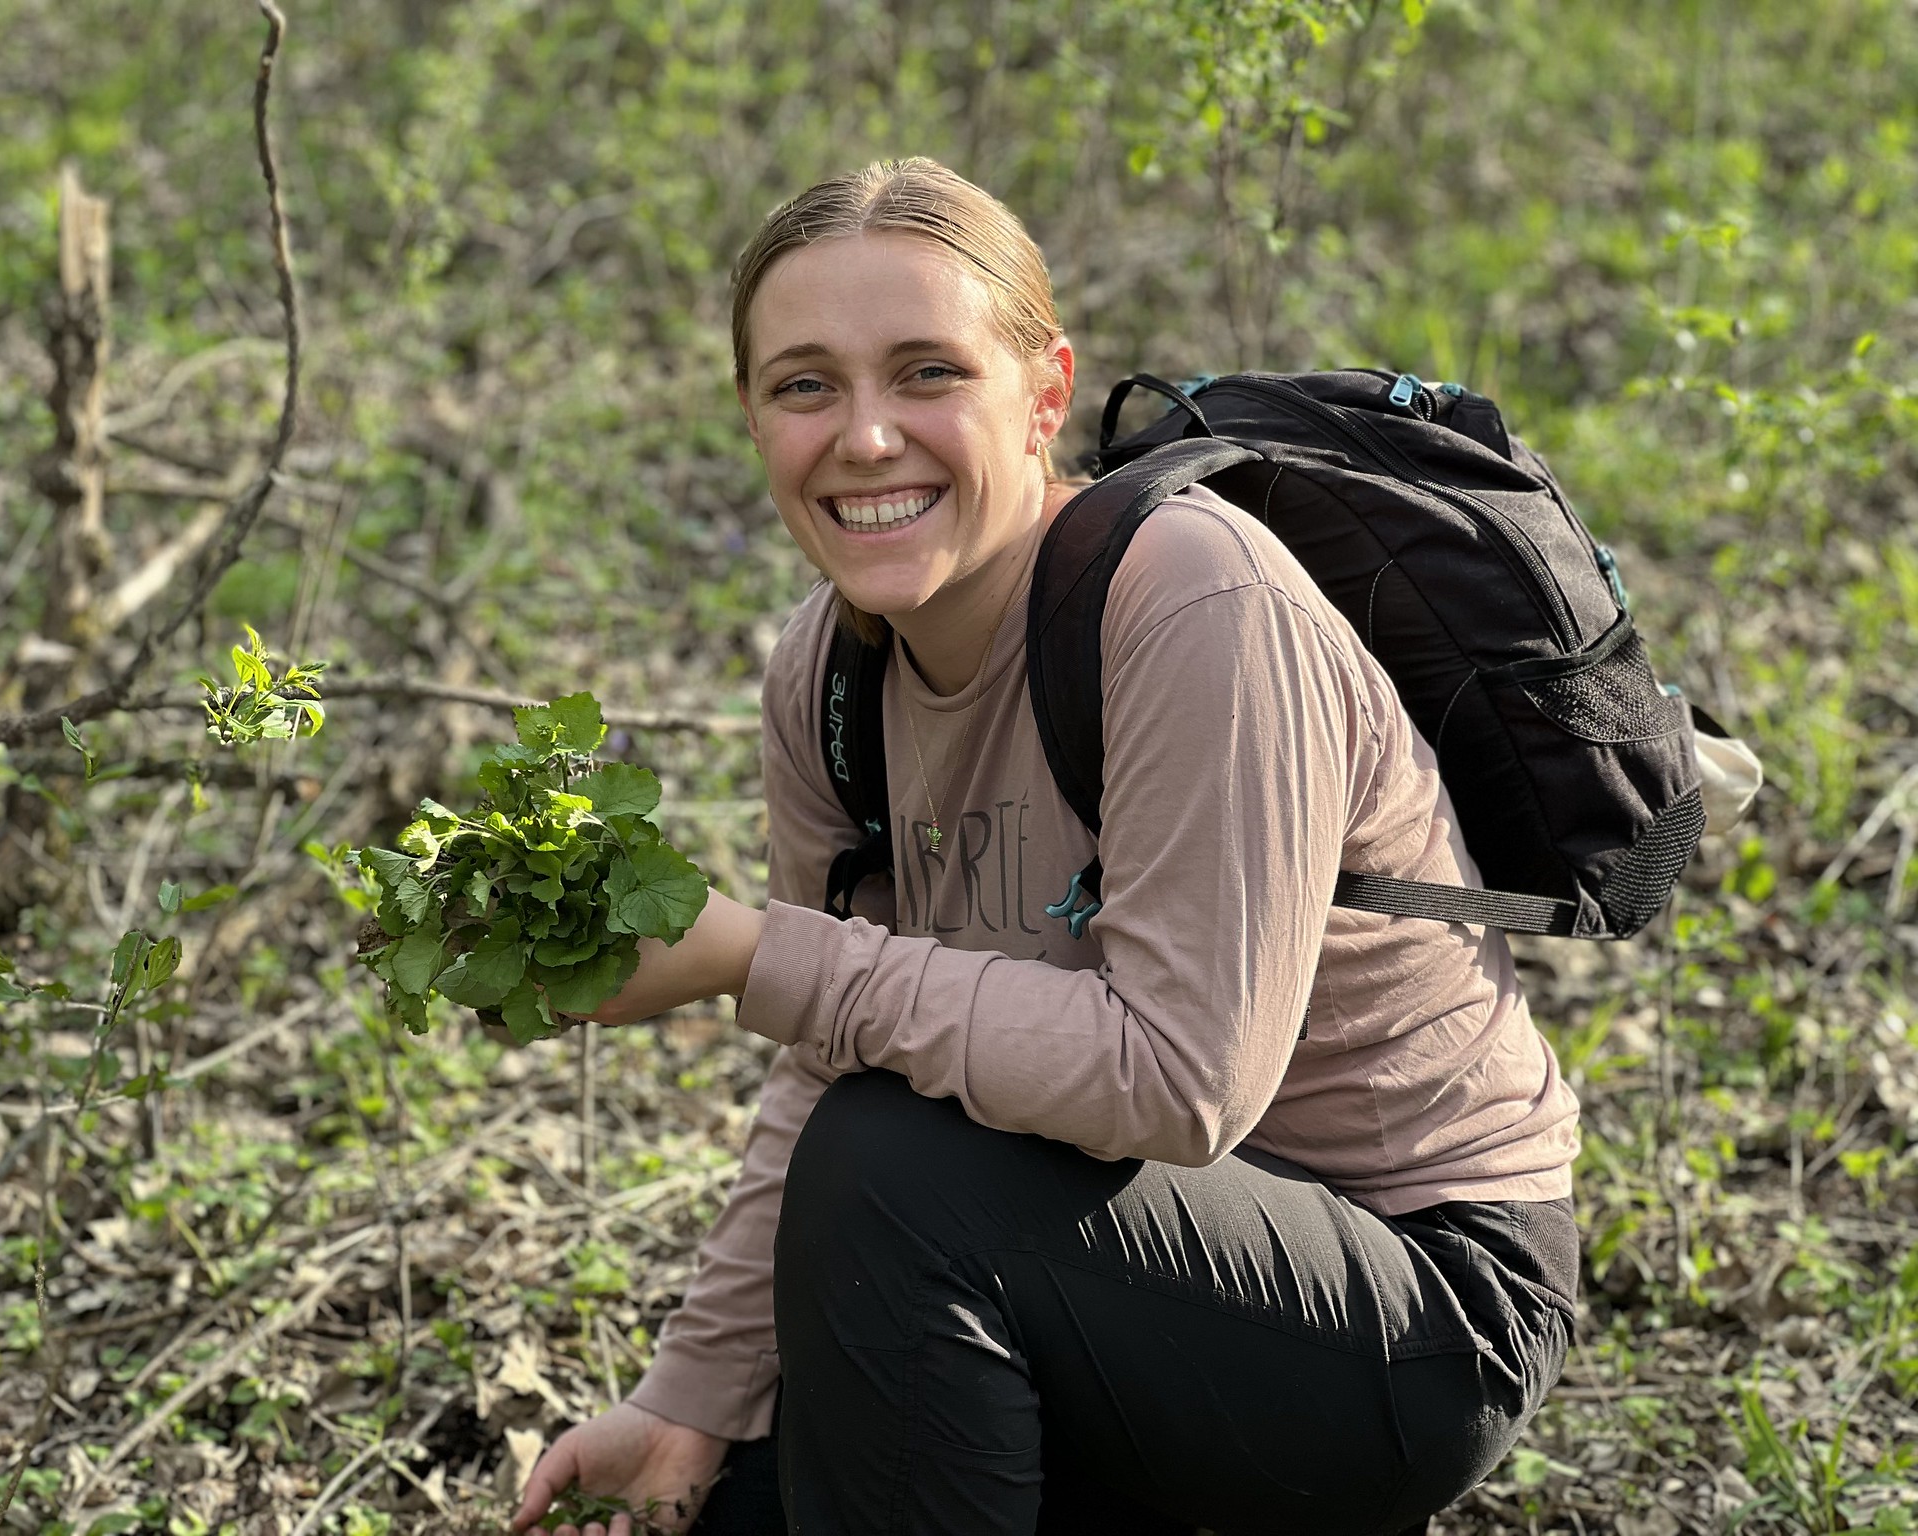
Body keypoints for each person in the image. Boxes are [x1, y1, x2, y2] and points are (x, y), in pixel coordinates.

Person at [510, 157, 1581, 1536]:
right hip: (1109, 1255)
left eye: (927, 373)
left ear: (1047, 395)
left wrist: (757, 957)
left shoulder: (1194, 603)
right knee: (747, 1500)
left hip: (1413, 1300)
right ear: (753, 419)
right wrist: (689, 1395)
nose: (867, 436)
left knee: (889, 1171)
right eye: (804, 386)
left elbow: (1186, 1083)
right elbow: (834, 1054)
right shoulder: (828, 679)